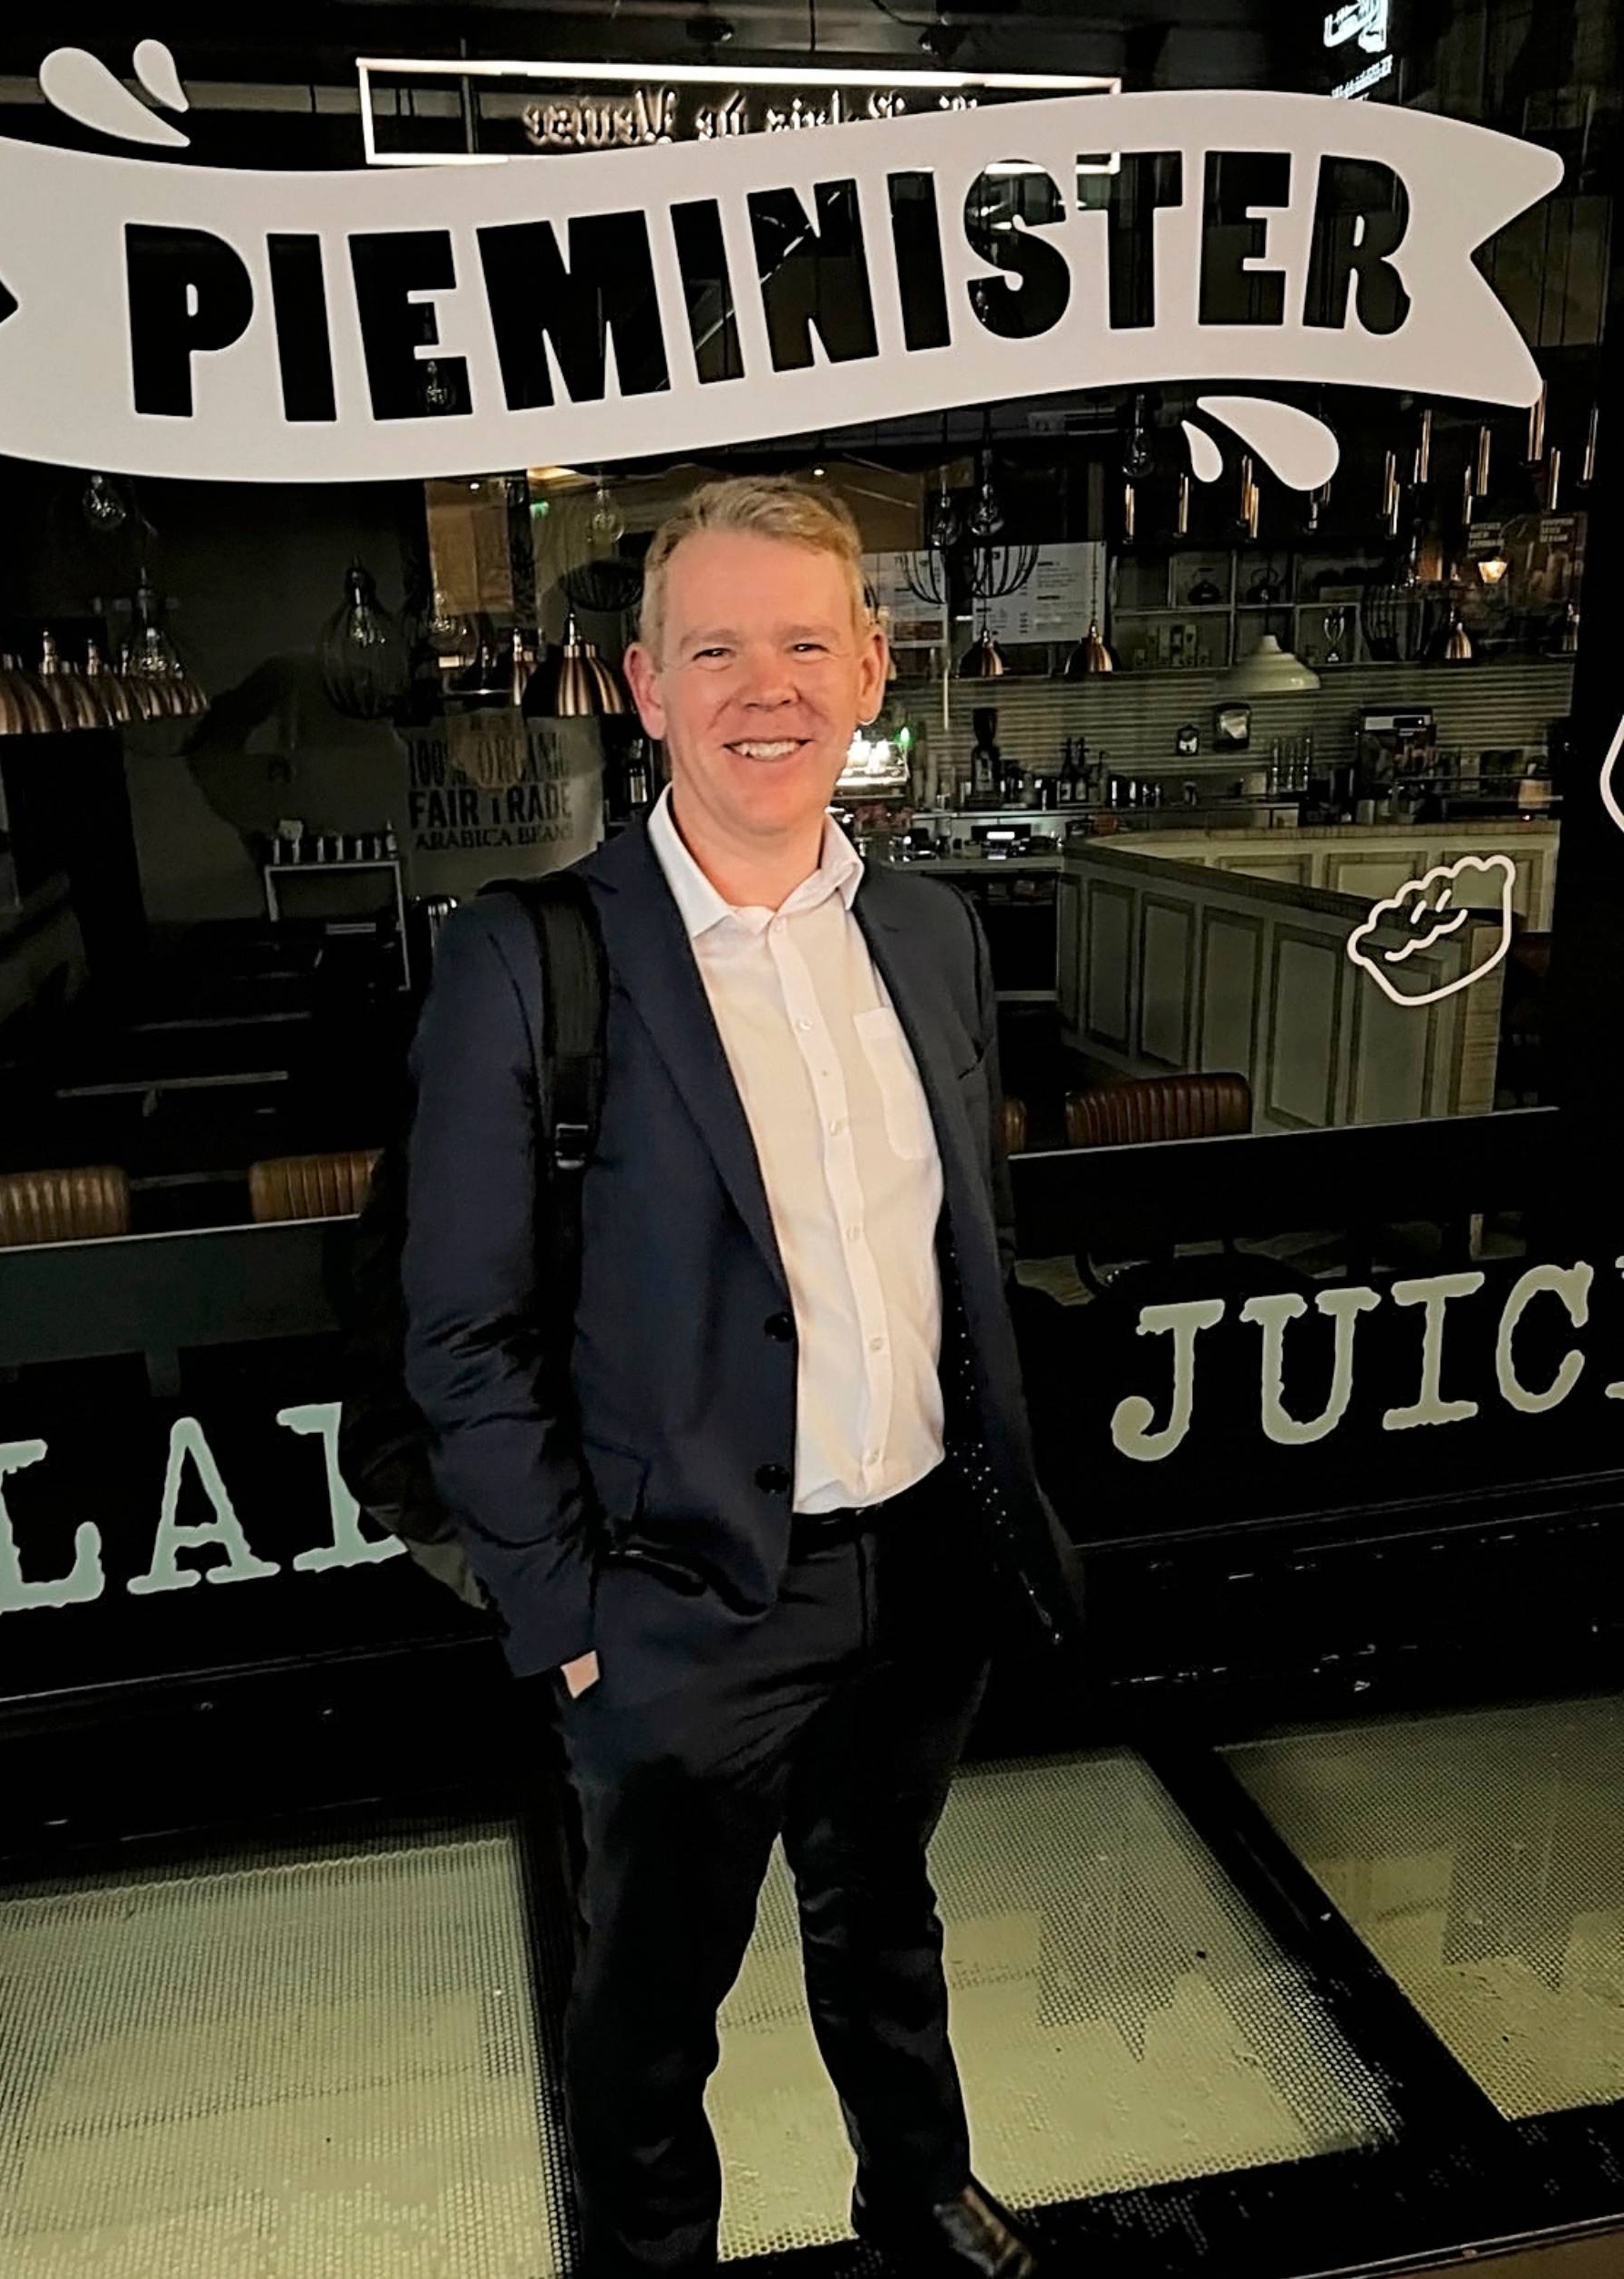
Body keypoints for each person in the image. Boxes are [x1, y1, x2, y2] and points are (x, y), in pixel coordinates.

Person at [402, 476, 1086, 2278]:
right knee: (647, 2015)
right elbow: (461, 1331)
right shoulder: (528, 959)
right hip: (680, 1602)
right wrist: (571, 1620)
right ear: (646, 685)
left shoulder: (929, 934)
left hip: (916, 1564)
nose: (763, 688)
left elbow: (967, 1240)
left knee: (887, 1916)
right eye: (714, 649)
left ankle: (919, 2191)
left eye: (802, 642)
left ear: (869, 667)